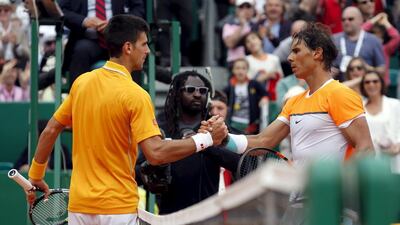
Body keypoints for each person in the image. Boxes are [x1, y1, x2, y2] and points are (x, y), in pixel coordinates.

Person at [25, 15, 227, 225]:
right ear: (128, 48)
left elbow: (50, 130)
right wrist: (206, 139)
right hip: (117, 209)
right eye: (144, 44)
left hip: (80, 207)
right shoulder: (136, 95)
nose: (148, 50)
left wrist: (36, 175)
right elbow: (156, 153)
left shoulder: (81, 83)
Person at [202, 22, 374, 224]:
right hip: (298, 201)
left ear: (317, 53)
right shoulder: (294, 102)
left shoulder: (340, 95)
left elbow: (366, 148)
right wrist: (224, 139)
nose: (290, 57)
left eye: (296, 51)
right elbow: (262, 141)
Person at [143, 71, 240, 214]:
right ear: (177, 93)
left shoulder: (216, 127)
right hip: (170, 216)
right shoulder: (160, 127)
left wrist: (204, 142)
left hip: (208, 216)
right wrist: (153, 172)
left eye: (202, 91)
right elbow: (140, 169)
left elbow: (239, 162)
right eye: (190, 90)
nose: (197, 94)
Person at [59, 0, 145, 86]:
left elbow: (138, 9)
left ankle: (132, 97)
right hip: (87, 39)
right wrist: (84, 21)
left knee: (131, 50)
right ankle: (79, 96)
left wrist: (117, 23)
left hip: (119, 39)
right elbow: (61, 11)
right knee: (80, 50)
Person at [360, 71, 400, 173]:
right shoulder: (359, 107)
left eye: (375, 81)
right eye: (367, 82)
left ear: (381, 83)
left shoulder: (395, 104)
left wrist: (398, 146)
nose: (371, 84)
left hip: (393, 161)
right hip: (368, 163)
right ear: (363, 85)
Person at [332, 7, 385, 78]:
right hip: (339, 86)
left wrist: (368, 68)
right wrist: (329, 71)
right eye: (343, 20)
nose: (346, 22)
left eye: (351, 19)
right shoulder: (333, 40)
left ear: (361, 20)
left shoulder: (373, 41)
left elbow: (382, 70)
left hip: (364, 86)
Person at [225, 58, 269, 135]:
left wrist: (264, 98)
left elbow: (265, 93)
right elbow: (223, 99)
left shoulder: (254, 84)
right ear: (233, 70)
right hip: (234, 122)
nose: (240, 71)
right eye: (237, 68)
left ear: (247, 70)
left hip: (250, 123)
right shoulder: (230, 87)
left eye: (243, 68)